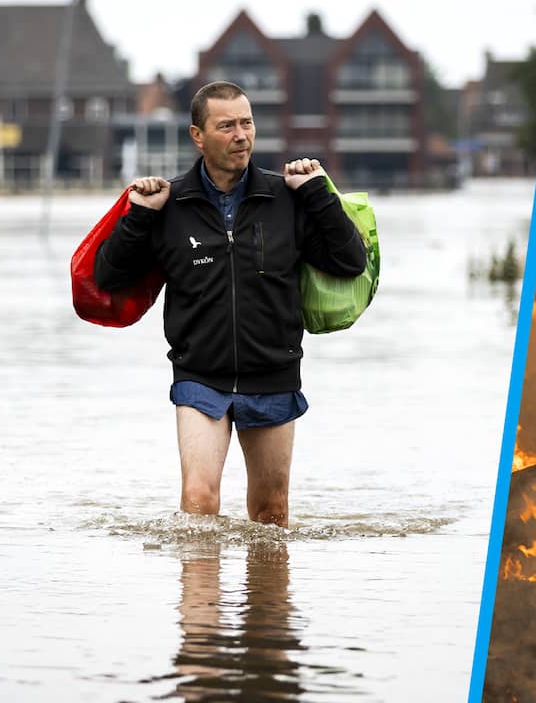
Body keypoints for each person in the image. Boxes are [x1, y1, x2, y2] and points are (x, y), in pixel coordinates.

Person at [94, 81, 365, 527]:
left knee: (270, 513)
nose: (241, 135)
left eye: (247, 123)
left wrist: (317, 191)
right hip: (200, 376)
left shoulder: (288, 198)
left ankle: (267, 597)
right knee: (199, 502)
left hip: (273, 373)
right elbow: (109, 277)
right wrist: (139, 213)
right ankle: (200, 599)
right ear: (197, 136)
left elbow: (349, 261)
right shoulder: (171, 205)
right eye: (226, 126)